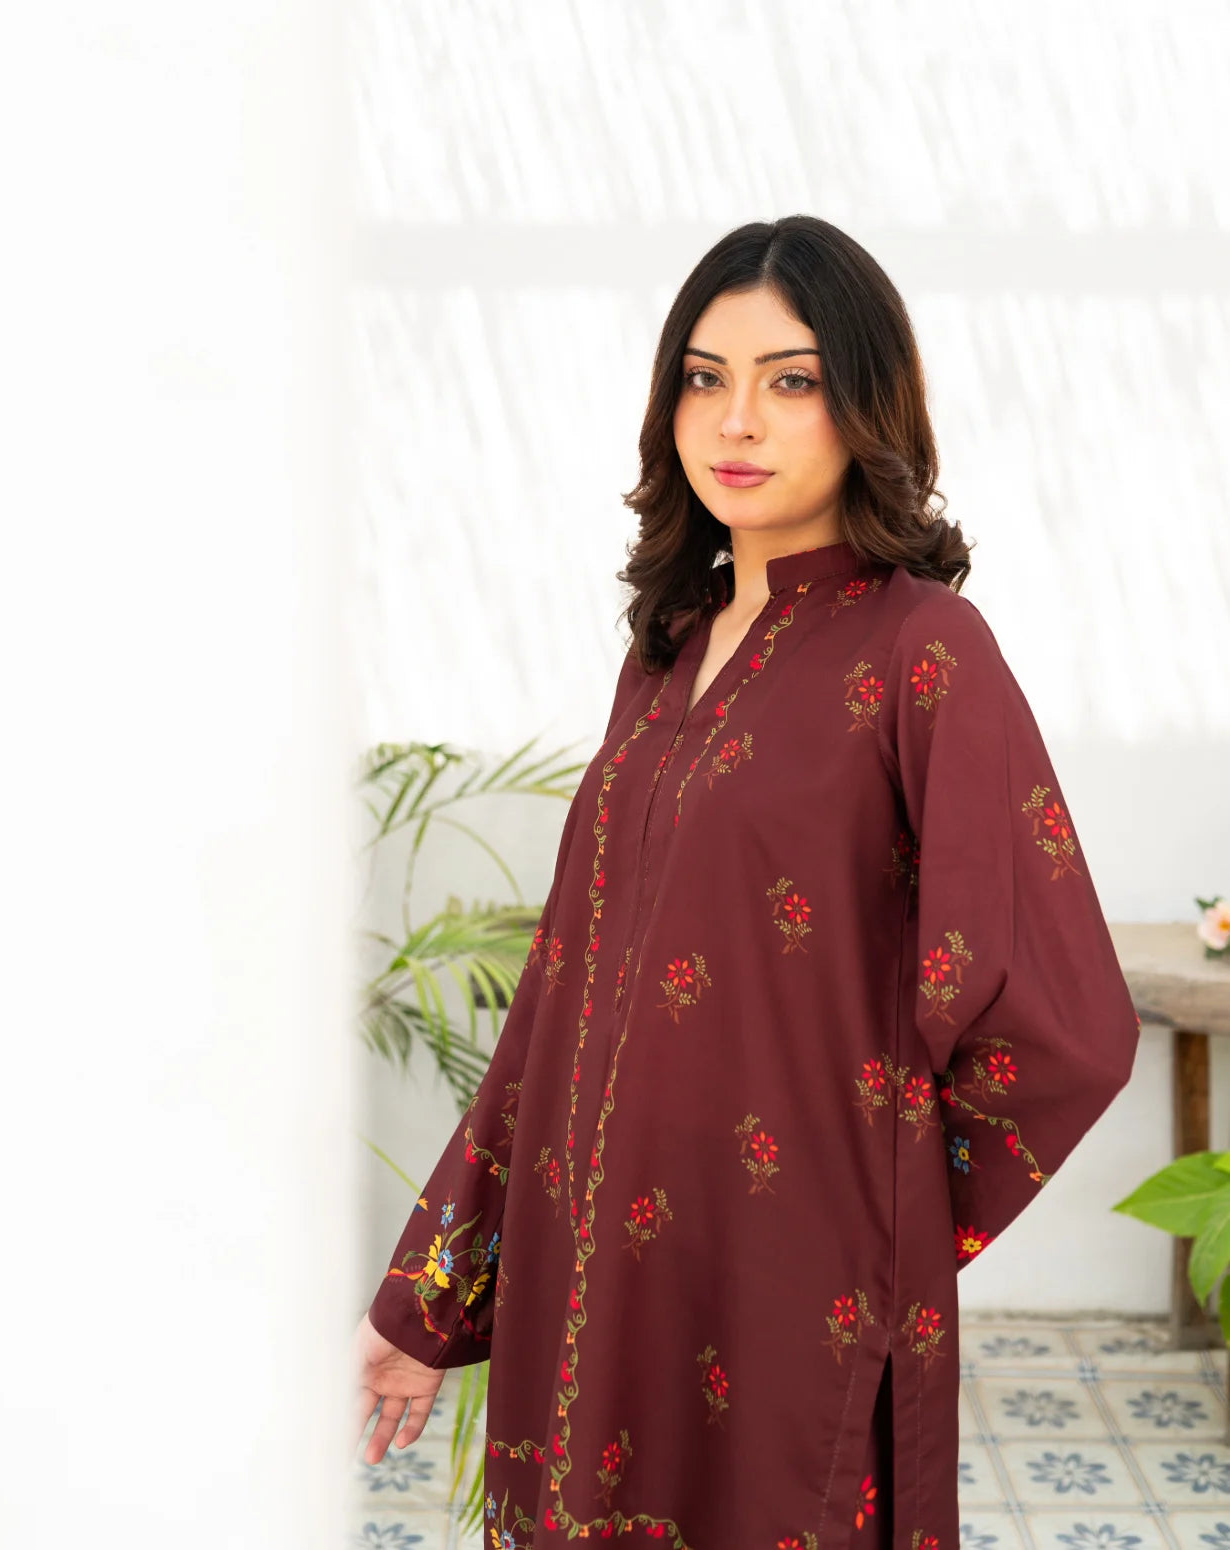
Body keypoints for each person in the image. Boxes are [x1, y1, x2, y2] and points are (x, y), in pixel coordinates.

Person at [351, 215, 1141, 1550]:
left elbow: (1064, 1020)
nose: (737, 418)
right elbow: (559, 994)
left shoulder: (923, 651)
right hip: (589, 1276)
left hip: (790, 1285)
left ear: (863, 400)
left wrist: (887, 1209)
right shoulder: (665, 651)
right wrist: (423, 1302)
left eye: (789, 378)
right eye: (702, 376)